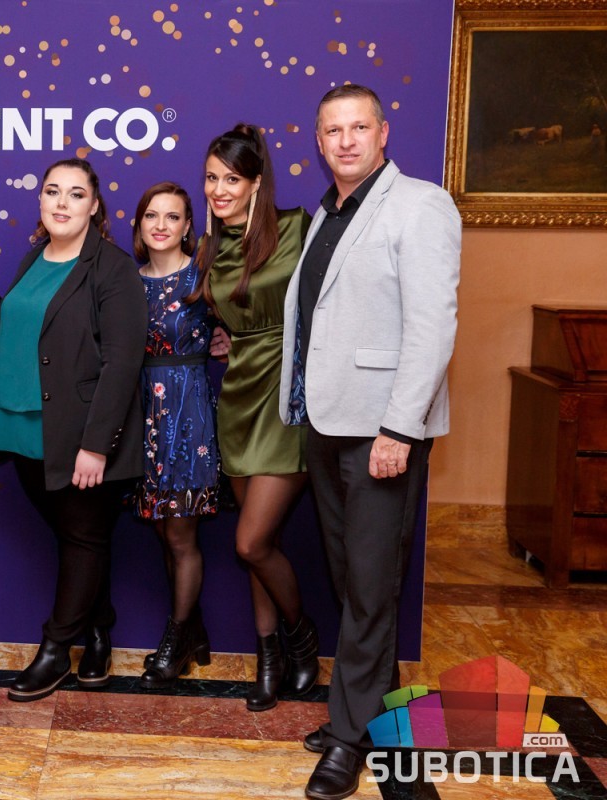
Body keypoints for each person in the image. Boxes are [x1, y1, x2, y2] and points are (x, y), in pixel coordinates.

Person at [279, 85, 460, 800]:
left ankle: (348, 739)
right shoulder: (329, 211)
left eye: (359, 127)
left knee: (371, 587)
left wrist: (400, 428)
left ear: (383, 133)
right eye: (333, 130)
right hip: (327, 423)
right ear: (319, 141)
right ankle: (369, 716)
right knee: (355, 580)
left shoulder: (420, 205)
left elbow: (432, 326)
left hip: (382, 431)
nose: (346, 140)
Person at [0, 158, 147, 702]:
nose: (62, 203)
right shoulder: (34, 258)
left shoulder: (112, 268)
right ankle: (98, 633)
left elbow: (123, 363)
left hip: (79, 440)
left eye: (76, 194)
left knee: (82, 538)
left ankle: (55, 650)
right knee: (78, 539)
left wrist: (95, 446)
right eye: (52, 191)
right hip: (24, 430)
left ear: (94, 206)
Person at [187, 124, 319, 712]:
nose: (219, 190)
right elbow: (227, 316)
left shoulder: (297, 228)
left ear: (256, 183)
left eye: (232, 179)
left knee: (251, 542)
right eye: (211, 178)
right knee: (257, 544)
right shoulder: (209, 248)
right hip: (239, 398)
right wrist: (226, 338)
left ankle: (301, 637)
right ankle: (271, 658)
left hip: (290, 399)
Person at [128, 182, 218, 689]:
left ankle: (176, 638)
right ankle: (194, 632)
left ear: (188, 226)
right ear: (139, 224)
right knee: (163, 529)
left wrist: (227, 340)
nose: (160, 225)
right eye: (151, 215)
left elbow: (249, 327)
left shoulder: (203, 276)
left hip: (189, 412)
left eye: (173, 216)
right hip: (143, 414)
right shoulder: (127, 280)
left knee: (181, 534)